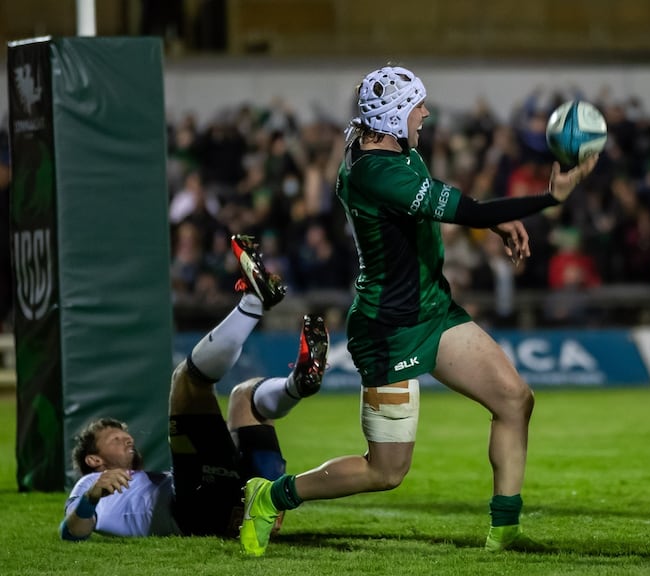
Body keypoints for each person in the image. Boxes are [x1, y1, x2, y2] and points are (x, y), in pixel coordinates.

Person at [238, 65, 599, 557]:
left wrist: (494, 222)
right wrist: (547, 199)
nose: (425, 114)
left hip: (433, 310)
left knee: (515, 400)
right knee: (386, 472)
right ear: (389, 119)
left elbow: (449, 204)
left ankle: (505, 533)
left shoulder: (389, 146)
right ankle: (270, 495)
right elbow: (456, 209)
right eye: (417, 107)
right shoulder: (376, 172)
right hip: (389, 329)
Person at [61, 235, 328, 540]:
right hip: (191, 513)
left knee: (245, 396)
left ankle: (298, 384)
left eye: (123, 433)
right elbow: (71, 533)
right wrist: (92, 496)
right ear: (93, 460)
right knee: (186, 381)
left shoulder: (149, 478)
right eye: (113, 437)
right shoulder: (89, 486)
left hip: (232, 509)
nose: (126, 437)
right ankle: (253, 302)